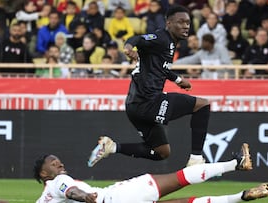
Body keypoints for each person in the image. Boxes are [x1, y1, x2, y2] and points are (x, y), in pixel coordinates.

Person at [88, 6, 212, 167]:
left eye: (188, 23)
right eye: (180, 22)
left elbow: (159, 68)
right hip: (148, 102)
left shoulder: (170, 44)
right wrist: (128, 48)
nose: (185, 26)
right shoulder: (161, 38)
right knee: (202, 105)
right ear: (168, 23)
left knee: (162, 152)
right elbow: (137, 39)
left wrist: (178, 80)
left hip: (134, 107)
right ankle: (196, 158)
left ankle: (111, 147)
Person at [35, 145, 268, 203]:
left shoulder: (43, 198)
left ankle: (239, 197)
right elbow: (71, 190)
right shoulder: (58, 181)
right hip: (118, 197)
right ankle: (235, 163)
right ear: (44, 173)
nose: (60, 164)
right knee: (180, 177)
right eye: (54, 163)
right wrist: (84, 197)